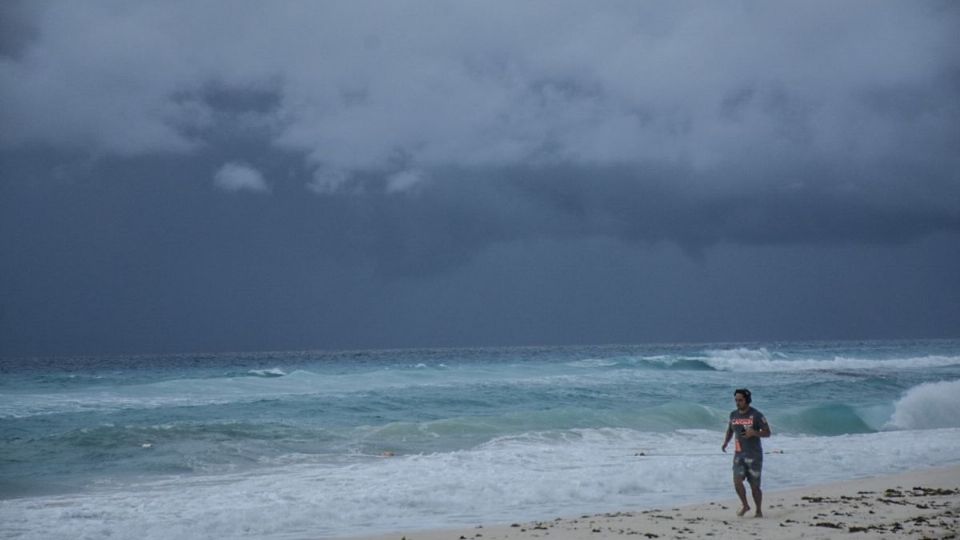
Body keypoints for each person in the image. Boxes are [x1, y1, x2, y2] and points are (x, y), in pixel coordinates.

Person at [721, 388, 771, 517]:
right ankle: (745, 505)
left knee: (754, 487)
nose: (737, 403)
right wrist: (726, 442)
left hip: (754, 456)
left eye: (740, 400)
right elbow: (730, 430)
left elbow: (767, 432)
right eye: (736, 400)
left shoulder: (756, 415)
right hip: (739, 455)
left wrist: (754, 432)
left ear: (747, 400)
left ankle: (758, 510)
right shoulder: (733, 414)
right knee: (737, 481)